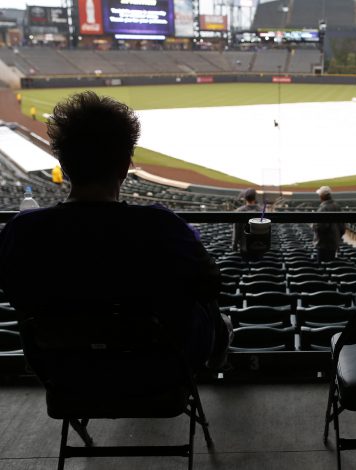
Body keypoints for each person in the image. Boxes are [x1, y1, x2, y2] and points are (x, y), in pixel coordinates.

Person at [0, 91, 228, 370]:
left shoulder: (23, 230)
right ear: (124, 168)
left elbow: (16, 294)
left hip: (65, 373)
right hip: (158, 372)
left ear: (64, 167)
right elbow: (210, 285)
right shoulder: (162, 225)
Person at [313, 185, 345, 263]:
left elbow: (320, 227)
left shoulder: (323, 208)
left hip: (323, 244)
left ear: (323, 196)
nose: (319, 197)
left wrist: (313, 225)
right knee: (331, 265)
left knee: (322, 267)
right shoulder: (337, 206)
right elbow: (342, 228)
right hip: (334, 242)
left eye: (320, 195)